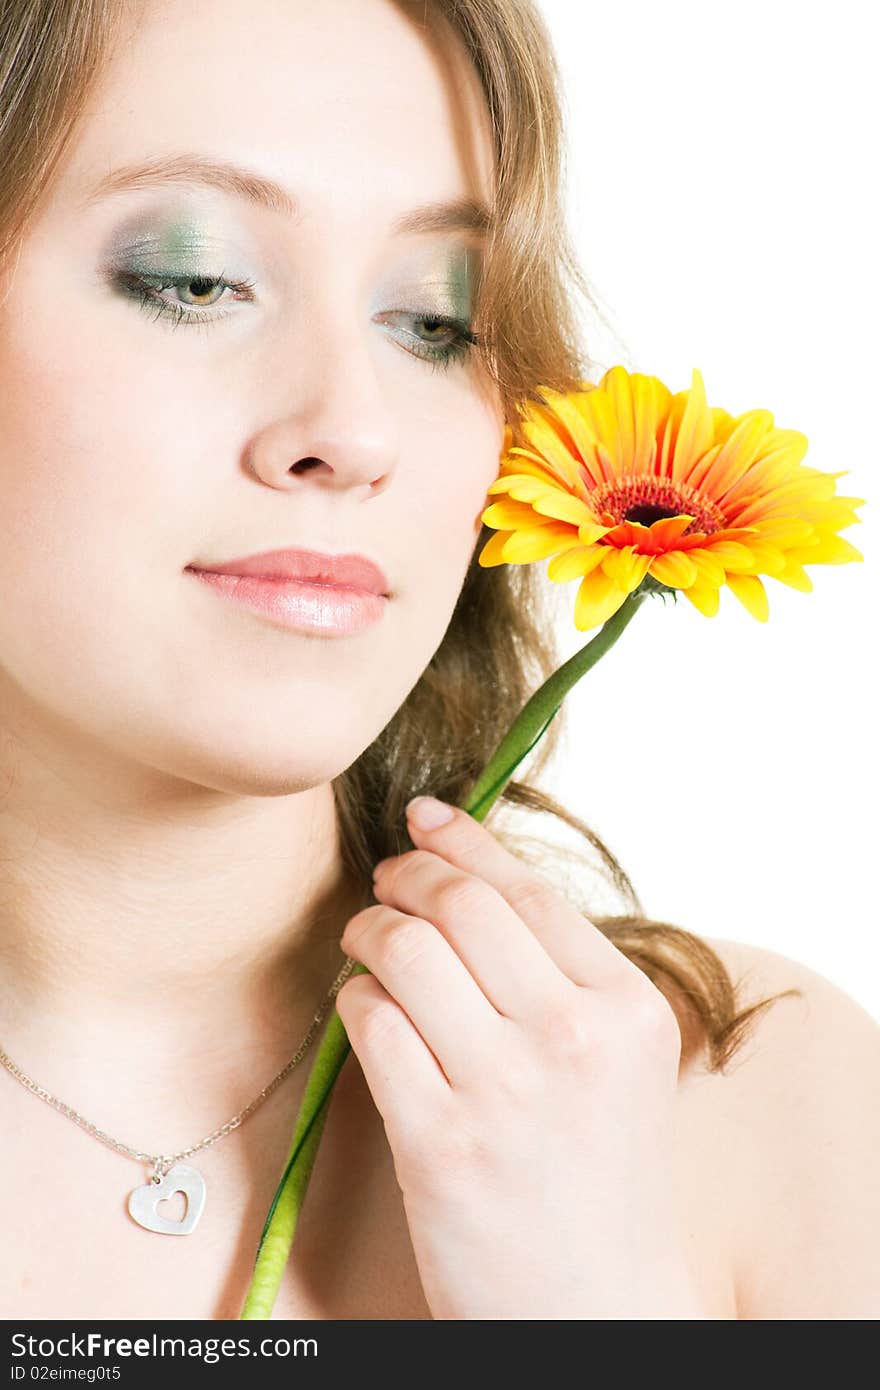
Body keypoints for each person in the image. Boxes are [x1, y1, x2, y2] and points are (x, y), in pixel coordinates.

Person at [0, 0, 877, 1322]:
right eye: (192, 279)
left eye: (433, 319)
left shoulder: (753, 1101)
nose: (353, 430)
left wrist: (595, 1311)